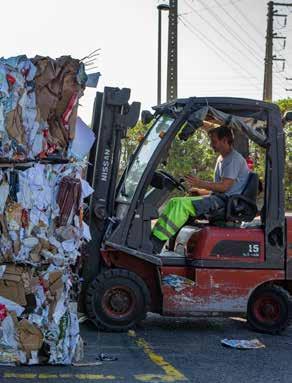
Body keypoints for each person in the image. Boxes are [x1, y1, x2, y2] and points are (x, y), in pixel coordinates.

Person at [151, 125, 250, 253]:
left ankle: (154, 246)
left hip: (226, 202)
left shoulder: (233, 159)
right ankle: (157, 240)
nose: (211, 144)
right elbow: (221, 187)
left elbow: (225, 187)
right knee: (174, 202)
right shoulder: (222, 158)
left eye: (214, 141)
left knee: (182, 205)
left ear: (225, 140)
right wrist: (199, 190)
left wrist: (200, 183)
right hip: (221, 198)